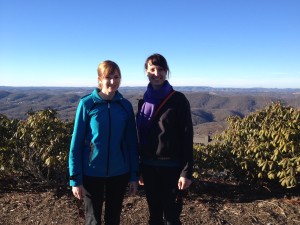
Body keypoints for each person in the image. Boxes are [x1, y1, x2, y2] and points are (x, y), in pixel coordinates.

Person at [69, 60, 139, 225]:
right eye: (108, 77)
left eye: (116, 77)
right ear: (100, 79)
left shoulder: (125, 106)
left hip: (119, 172)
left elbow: (131, 143)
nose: (113, 82)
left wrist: (134, 175)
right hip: (91, 172)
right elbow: (76, 144)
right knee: (93, 220)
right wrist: (75, 180)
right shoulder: (87, 104)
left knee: (113, 219)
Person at [137, 53, 194, 225]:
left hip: (172, 168)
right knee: (154, 215)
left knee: (171, 216)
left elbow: (187, 136)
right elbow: (140, 137)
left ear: (166, 71)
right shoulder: (143, 102)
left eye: (161, 69)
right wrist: (139, 168)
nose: (157, 73)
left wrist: (186, 172)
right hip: (149, 167)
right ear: (146, 72)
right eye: (152, 69)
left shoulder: (178, 100)